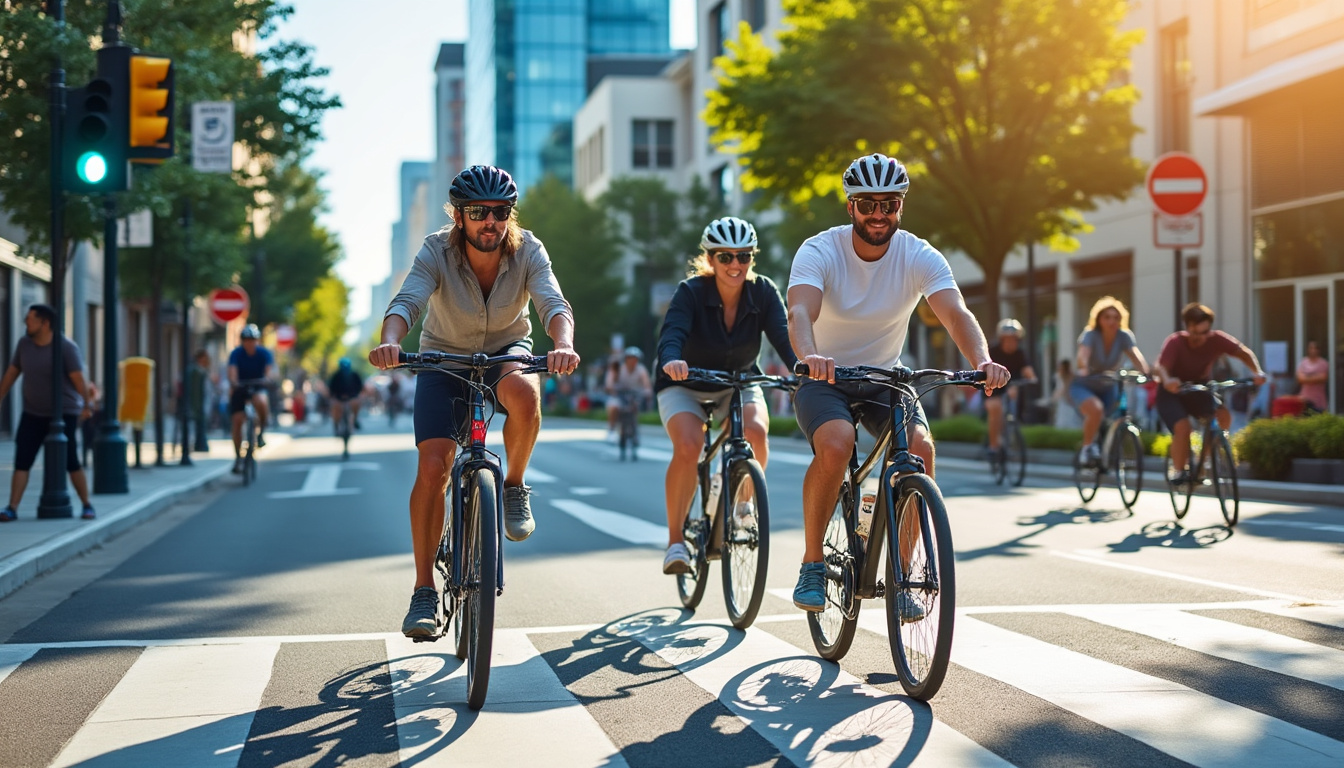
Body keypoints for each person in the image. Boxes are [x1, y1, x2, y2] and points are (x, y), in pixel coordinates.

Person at [787, 153, 1010, 615]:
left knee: (921, 452)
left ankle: (903, 574)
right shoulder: (819, 250)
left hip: (886, 377)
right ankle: (812, 562)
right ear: (850, 207)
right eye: (867, 204)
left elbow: (954, 313)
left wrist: (983, 360)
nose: (878, 214)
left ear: (900, 207)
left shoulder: (917, 254)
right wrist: (809, 356)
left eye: (889, 204)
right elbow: (800, 311)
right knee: (836, 443)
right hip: (824, 376)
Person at [367, 164, 579, 639]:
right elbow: (407, 301)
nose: (491, 221)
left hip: (507, 351)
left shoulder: (529, 251)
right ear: (458, 216)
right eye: (479, 212)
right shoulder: (436, 250)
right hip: (443, 358)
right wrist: (389, 340)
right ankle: (424, 591)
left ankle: (514, 486)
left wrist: (562, 343)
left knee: (525, 390)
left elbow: (553, 304)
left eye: (500, 211)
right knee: (434, 465)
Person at [657, 216, 798, 574]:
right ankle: (676, 542)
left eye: (744, 256)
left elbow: (783, 337)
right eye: (725, 257)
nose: (735, 264)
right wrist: (672, 359)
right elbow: (672, 331)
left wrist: (802, 370)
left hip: (737, 382)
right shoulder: (690, 292)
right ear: (710, 259)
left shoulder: (763, 292)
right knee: (689, 446)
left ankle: (742, 507)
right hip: (685, 383)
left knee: (756, 431)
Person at [0, 304, 97, 521]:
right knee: (22, 459)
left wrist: (87, 405)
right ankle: (11, 508)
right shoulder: (24, 344)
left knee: (71, 461)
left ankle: (87, 505)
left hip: (63, 414)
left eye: (30, 319)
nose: (26, 322)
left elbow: (78, 379)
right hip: (33, 412)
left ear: (45, 323)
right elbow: (12, 373)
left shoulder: (65, 347)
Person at [1152, 303, 1267, 485]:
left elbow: (1242, 352)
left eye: (1206, 332)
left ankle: (1202, 461)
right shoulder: (1175, 342)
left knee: (1222, 416)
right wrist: (1167, 381)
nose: (1202, 338)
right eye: (1197, 333)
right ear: (1188, 327)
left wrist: (1257, 372)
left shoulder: (1216, 339)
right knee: (1183, 427)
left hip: (1199, 388)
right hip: (1172, 391)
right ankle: (1179, 470)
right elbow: (1161, 367)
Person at [1071, 297, 1149, 467]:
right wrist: (1083, 367)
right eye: (1107, 317)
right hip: (1085, 384)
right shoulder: (1090, 335)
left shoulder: (1124, 336)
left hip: (1108, 384)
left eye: (1116, 317)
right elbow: (1082, 356)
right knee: (1096, 410)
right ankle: (1087, 448)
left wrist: (1147, 374)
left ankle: (1108, 448)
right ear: (1099, 319)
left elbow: (1136, 357)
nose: (1112, 321)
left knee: (1120, 416)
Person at [985, 318, 1037, 458]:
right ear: (1001, 339)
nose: (1011, 342)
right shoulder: (993, 352)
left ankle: (1011, 429)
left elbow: (1027, 370)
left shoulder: (1020, 353)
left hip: (1012, 386)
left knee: (1015, 401)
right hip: (993, 387)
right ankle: (993, 446)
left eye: (1014, 339)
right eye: (1007, 339)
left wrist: (1031, 378)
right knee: (995, 408)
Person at [228, 323, 275, 473]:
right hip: (241, 387)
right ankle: (238, 457)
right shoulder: (236, 354)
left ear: (257, 340)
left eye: (253, 339)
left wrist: (267, 379)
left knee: (261, 400)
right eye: (247, 340)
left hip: (258, 386)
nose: (250, 342)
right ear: (242, 341)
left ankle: (261, 432)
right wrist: (234, 382)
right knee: (236, 421)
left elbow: (268, 372)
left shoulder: (264, 353)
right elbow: (232, 371)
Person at [604, 347, 651, 443]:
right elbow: (609, 382)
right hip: (619, 395)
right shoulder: (618, 368)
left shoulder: (641, 370)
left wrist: (647, 392)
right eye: (630, 358)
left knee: (635, 407)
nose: (632, 360)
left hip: (634, 395)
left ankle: (635, 431)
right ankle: (611, 430)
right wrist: (611, 388)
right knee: (614, 406)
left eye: (635, 358)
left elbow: (647, 385)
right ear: (626, 359)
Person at [327, 358, 365, 433]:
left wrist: (357, 395)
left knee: (357, 404)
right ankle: (336, 423)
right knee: (334, 407)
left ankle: (355, 419)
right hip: (339, 399)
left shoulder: (354, 375)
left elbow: (360, 387)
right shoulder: (336, 375)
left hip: (352, 398)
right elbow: (331, 388)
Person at [1297, 340, 1329, 413]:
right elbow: (1300, 379)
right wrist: (1315, 376)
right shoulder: (1303, 362)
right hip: (1305, 399)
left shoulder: (1323, 363)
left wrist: (1307, 376)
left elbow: (1323, 378)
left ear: (1319, 350)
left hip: (1319, 400)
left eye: (1315, 348)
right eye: (1311, 348)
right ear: (1308, 350)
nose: (1313, 350)